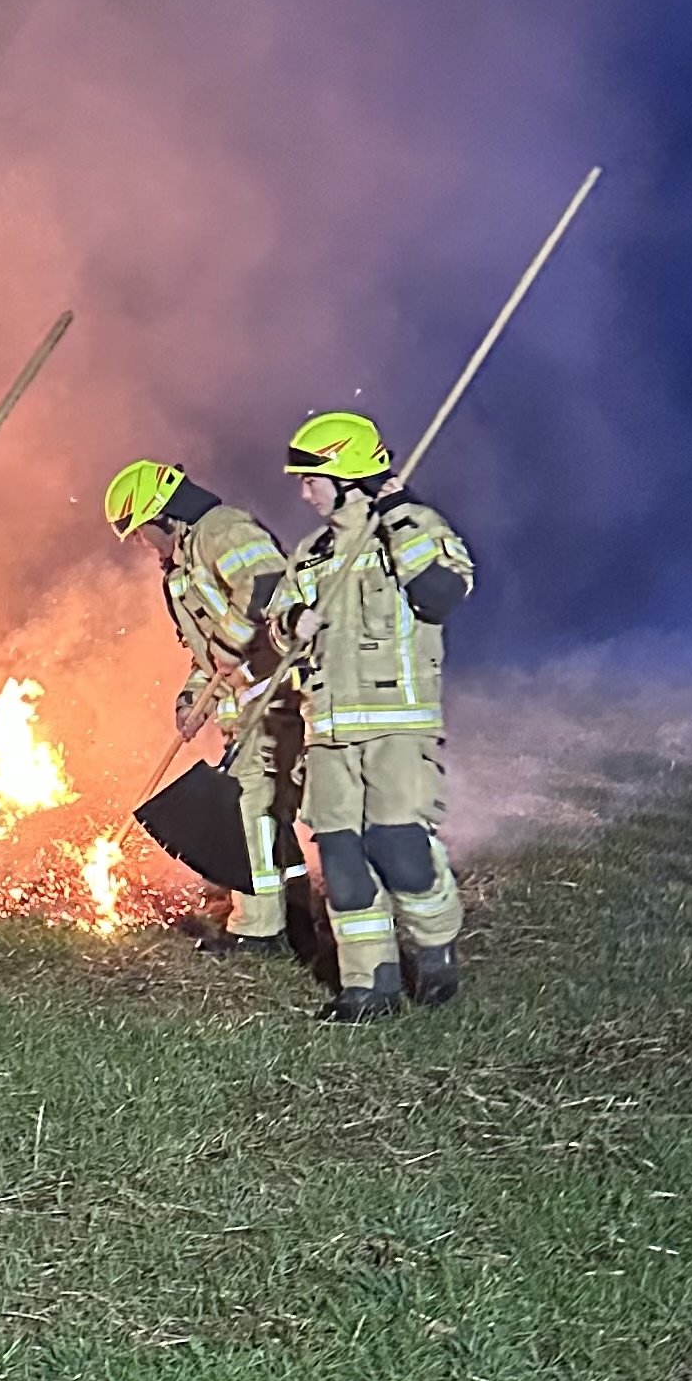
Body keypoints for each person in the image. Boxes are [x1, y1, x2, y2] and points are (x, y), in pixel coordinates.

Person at [268, 409, 476, 1020]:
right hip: (328, 732)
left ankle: (436, 946)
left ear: (347, 477)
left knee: (398, 848)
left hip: (397, 724)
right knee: (341, 861)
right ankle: (370, 986)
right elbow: (279, 628)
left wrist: (398, 512)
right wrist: (292, 624)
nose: (304, 493)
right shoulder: (311, 554)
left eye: (311, 479)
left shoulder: (414, 527)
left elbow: (441, 594)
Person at [102, 460, 318, 964]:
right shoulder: (182, 572)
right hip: (250, 703)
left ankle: (259, 930)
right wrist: (192, 699)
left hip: (284, 690)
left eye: (141, 532)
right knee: (269, 807)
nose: (143, 544)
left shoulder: (220, 529)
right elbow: (211, 658)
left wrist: (228, 643)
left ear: (164, 516)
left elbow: (265, 583)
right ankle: (290, 906)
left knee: (252, 806)